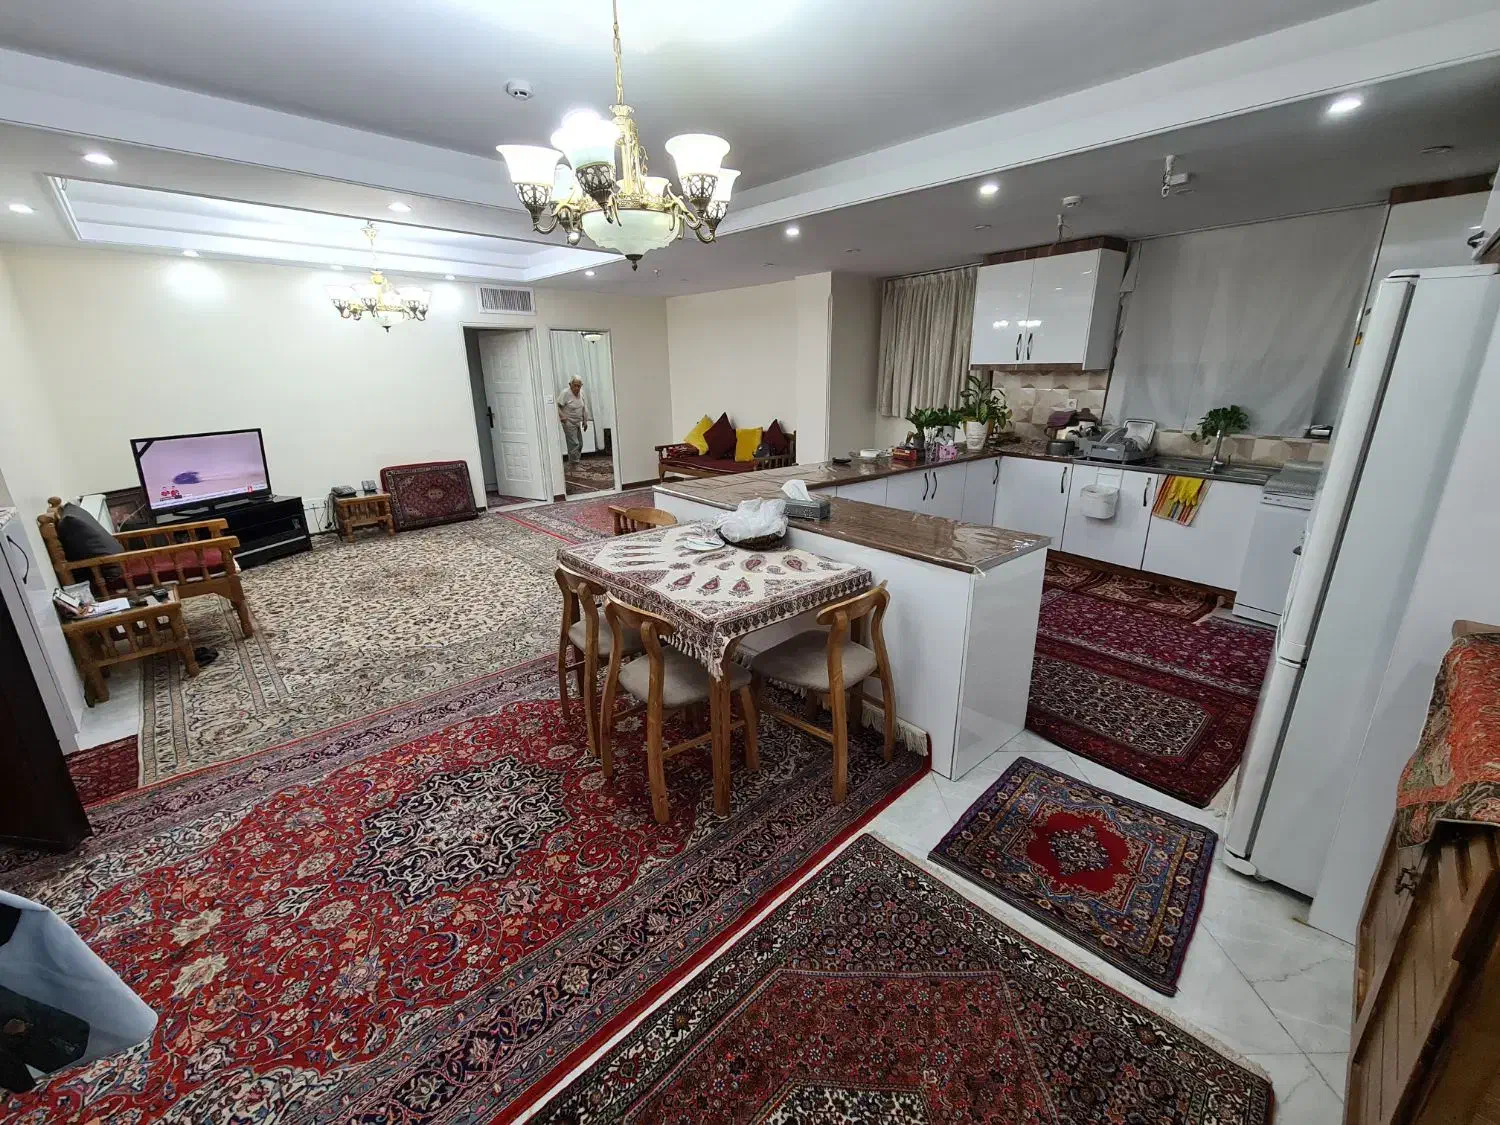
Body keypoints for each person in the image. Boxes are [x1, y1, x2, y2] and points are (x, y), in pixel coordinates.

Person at [557, 377, 591, 464]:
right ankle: (574, 464)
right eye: (575, 385)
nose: (577, 388)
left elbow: (584, 407)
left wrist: (585, 421)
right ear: (570, 384)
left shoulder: (581, 393)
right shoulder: (565, 393)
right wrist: (562, 416)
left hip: (577, 422)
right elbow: (557, 406)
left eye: (579, 386)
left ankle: (575, 461)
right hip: (568, 422)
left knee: (580, 444)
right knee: (574, 444)